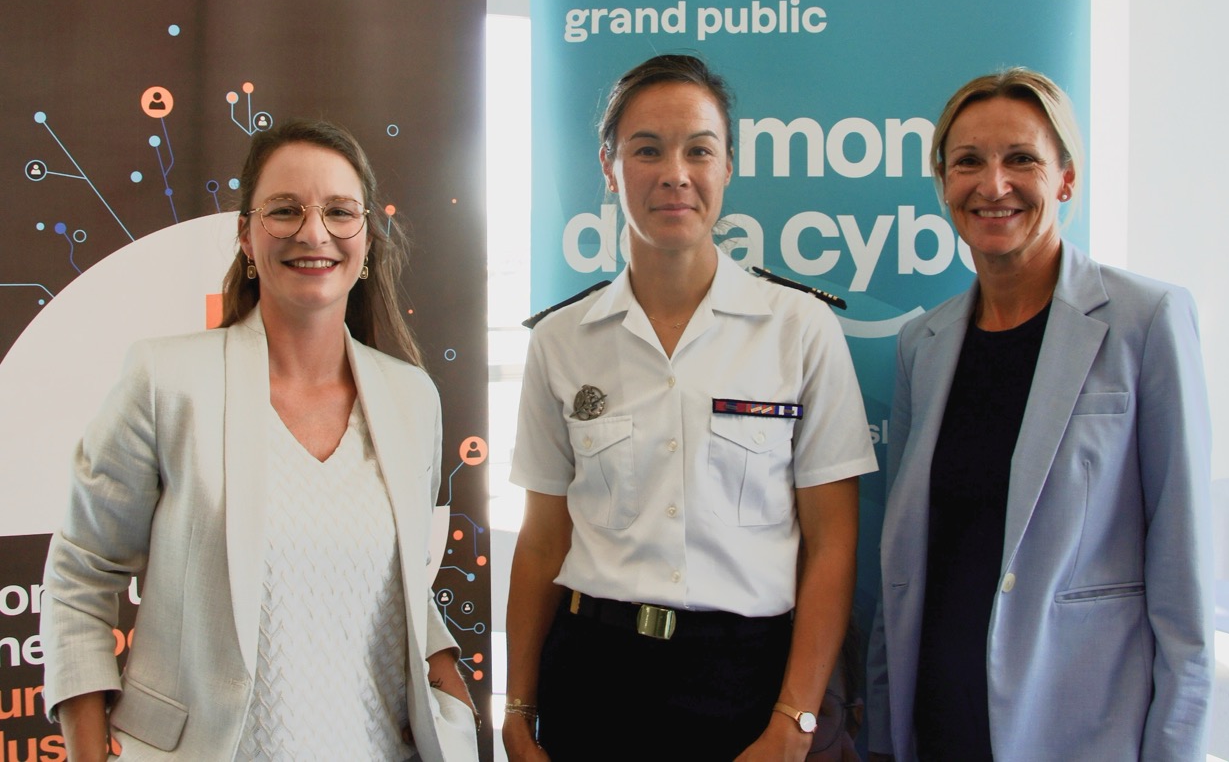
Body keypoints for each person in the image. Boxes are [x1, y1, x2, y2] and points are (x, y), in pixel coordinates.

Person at [41, 120, 479, 761]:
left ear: (365, 241)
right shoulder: (167, 381)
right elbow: (81, 574)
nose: (313, 232)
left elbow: (403, 591)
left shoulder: (412, 398)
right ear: (246, 236)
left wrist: (456, 715)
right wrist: (85, 750)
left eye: (339, 212)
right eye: (284, 210)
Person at [502, 54, 878, 762]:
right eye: (647, 150)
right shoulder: (561, 341)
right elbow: (543, 539)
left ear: (728, 165)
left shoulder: (798, 328)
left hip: (748, 682)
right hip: (594, 678)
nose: (674, 173)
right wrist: (518, 706)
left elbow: (832, 542)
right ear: (609, 167)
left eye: (699, 150)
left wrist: (795, 720)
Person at [866, 69, 1213, 761]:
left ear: (1066, 179)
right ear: (944, 184)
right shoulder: (922, 345)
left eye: (1021, 159)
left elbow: (1184, 570)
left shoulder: (1146, 320)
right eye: (968, 162)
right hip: (937, 724)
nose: (993, 185)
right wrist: (881, 725)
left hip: (1080, 731)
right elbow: (903, 558)